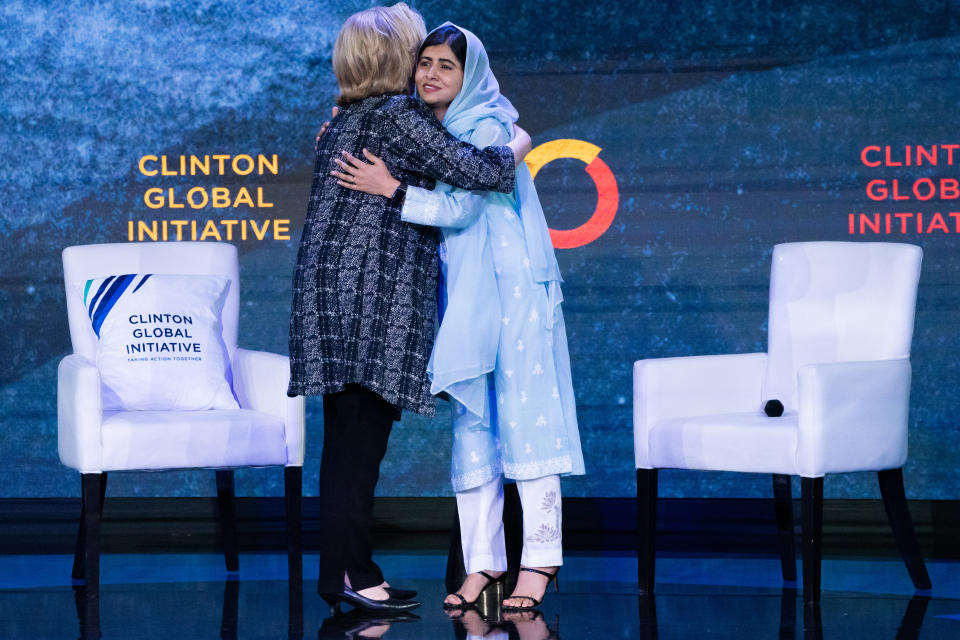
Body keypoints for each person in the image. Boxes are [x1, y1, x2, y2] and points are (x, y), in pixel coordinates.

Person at [331, 23, 585, 612]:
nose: (430, 75)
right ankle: (484, 563)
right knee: (475, 426)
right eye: (424, 63)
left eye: (446, 66)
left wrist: (391, 189)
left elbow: (461, 205)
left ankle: (540, 559)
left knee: (527, 419)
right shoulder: (436, 130)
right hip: (471, 295)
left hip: (515, 290)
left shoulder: (488, 127)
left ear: (469, 75)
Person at [287, 5, 532, 614]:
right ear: (395, 58)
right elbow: (480, 171)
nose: (425, 66)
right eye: (418, 53)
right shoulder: (398, 118)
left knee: (346, 439)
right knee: (358, 442)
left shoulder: (347, 121)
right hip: (371, 297)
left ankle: (347, 570)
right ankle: (350, 574)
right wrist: (519, 142)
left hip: (329, 293)